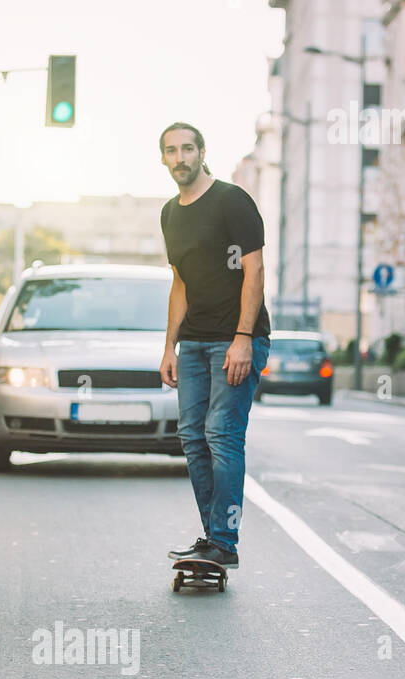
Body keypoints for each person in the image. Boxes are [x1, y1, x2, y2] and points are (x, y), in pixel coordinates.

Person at [159, 122, 271, 569]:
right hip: (194, 342)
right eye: (171, 151)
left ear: (202, 152)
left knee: (221, 434)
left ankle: (224, 540)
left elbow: (255, 270)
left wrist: (243, 338)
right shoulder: (170, 212)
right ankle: (214, 538)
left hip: (235, 339)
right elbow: (180, 284)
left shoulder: (232, 200)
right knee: (191, 435)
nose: (180, 157)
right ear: (164, 158)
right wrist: (169, 346)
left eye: (188, 148)